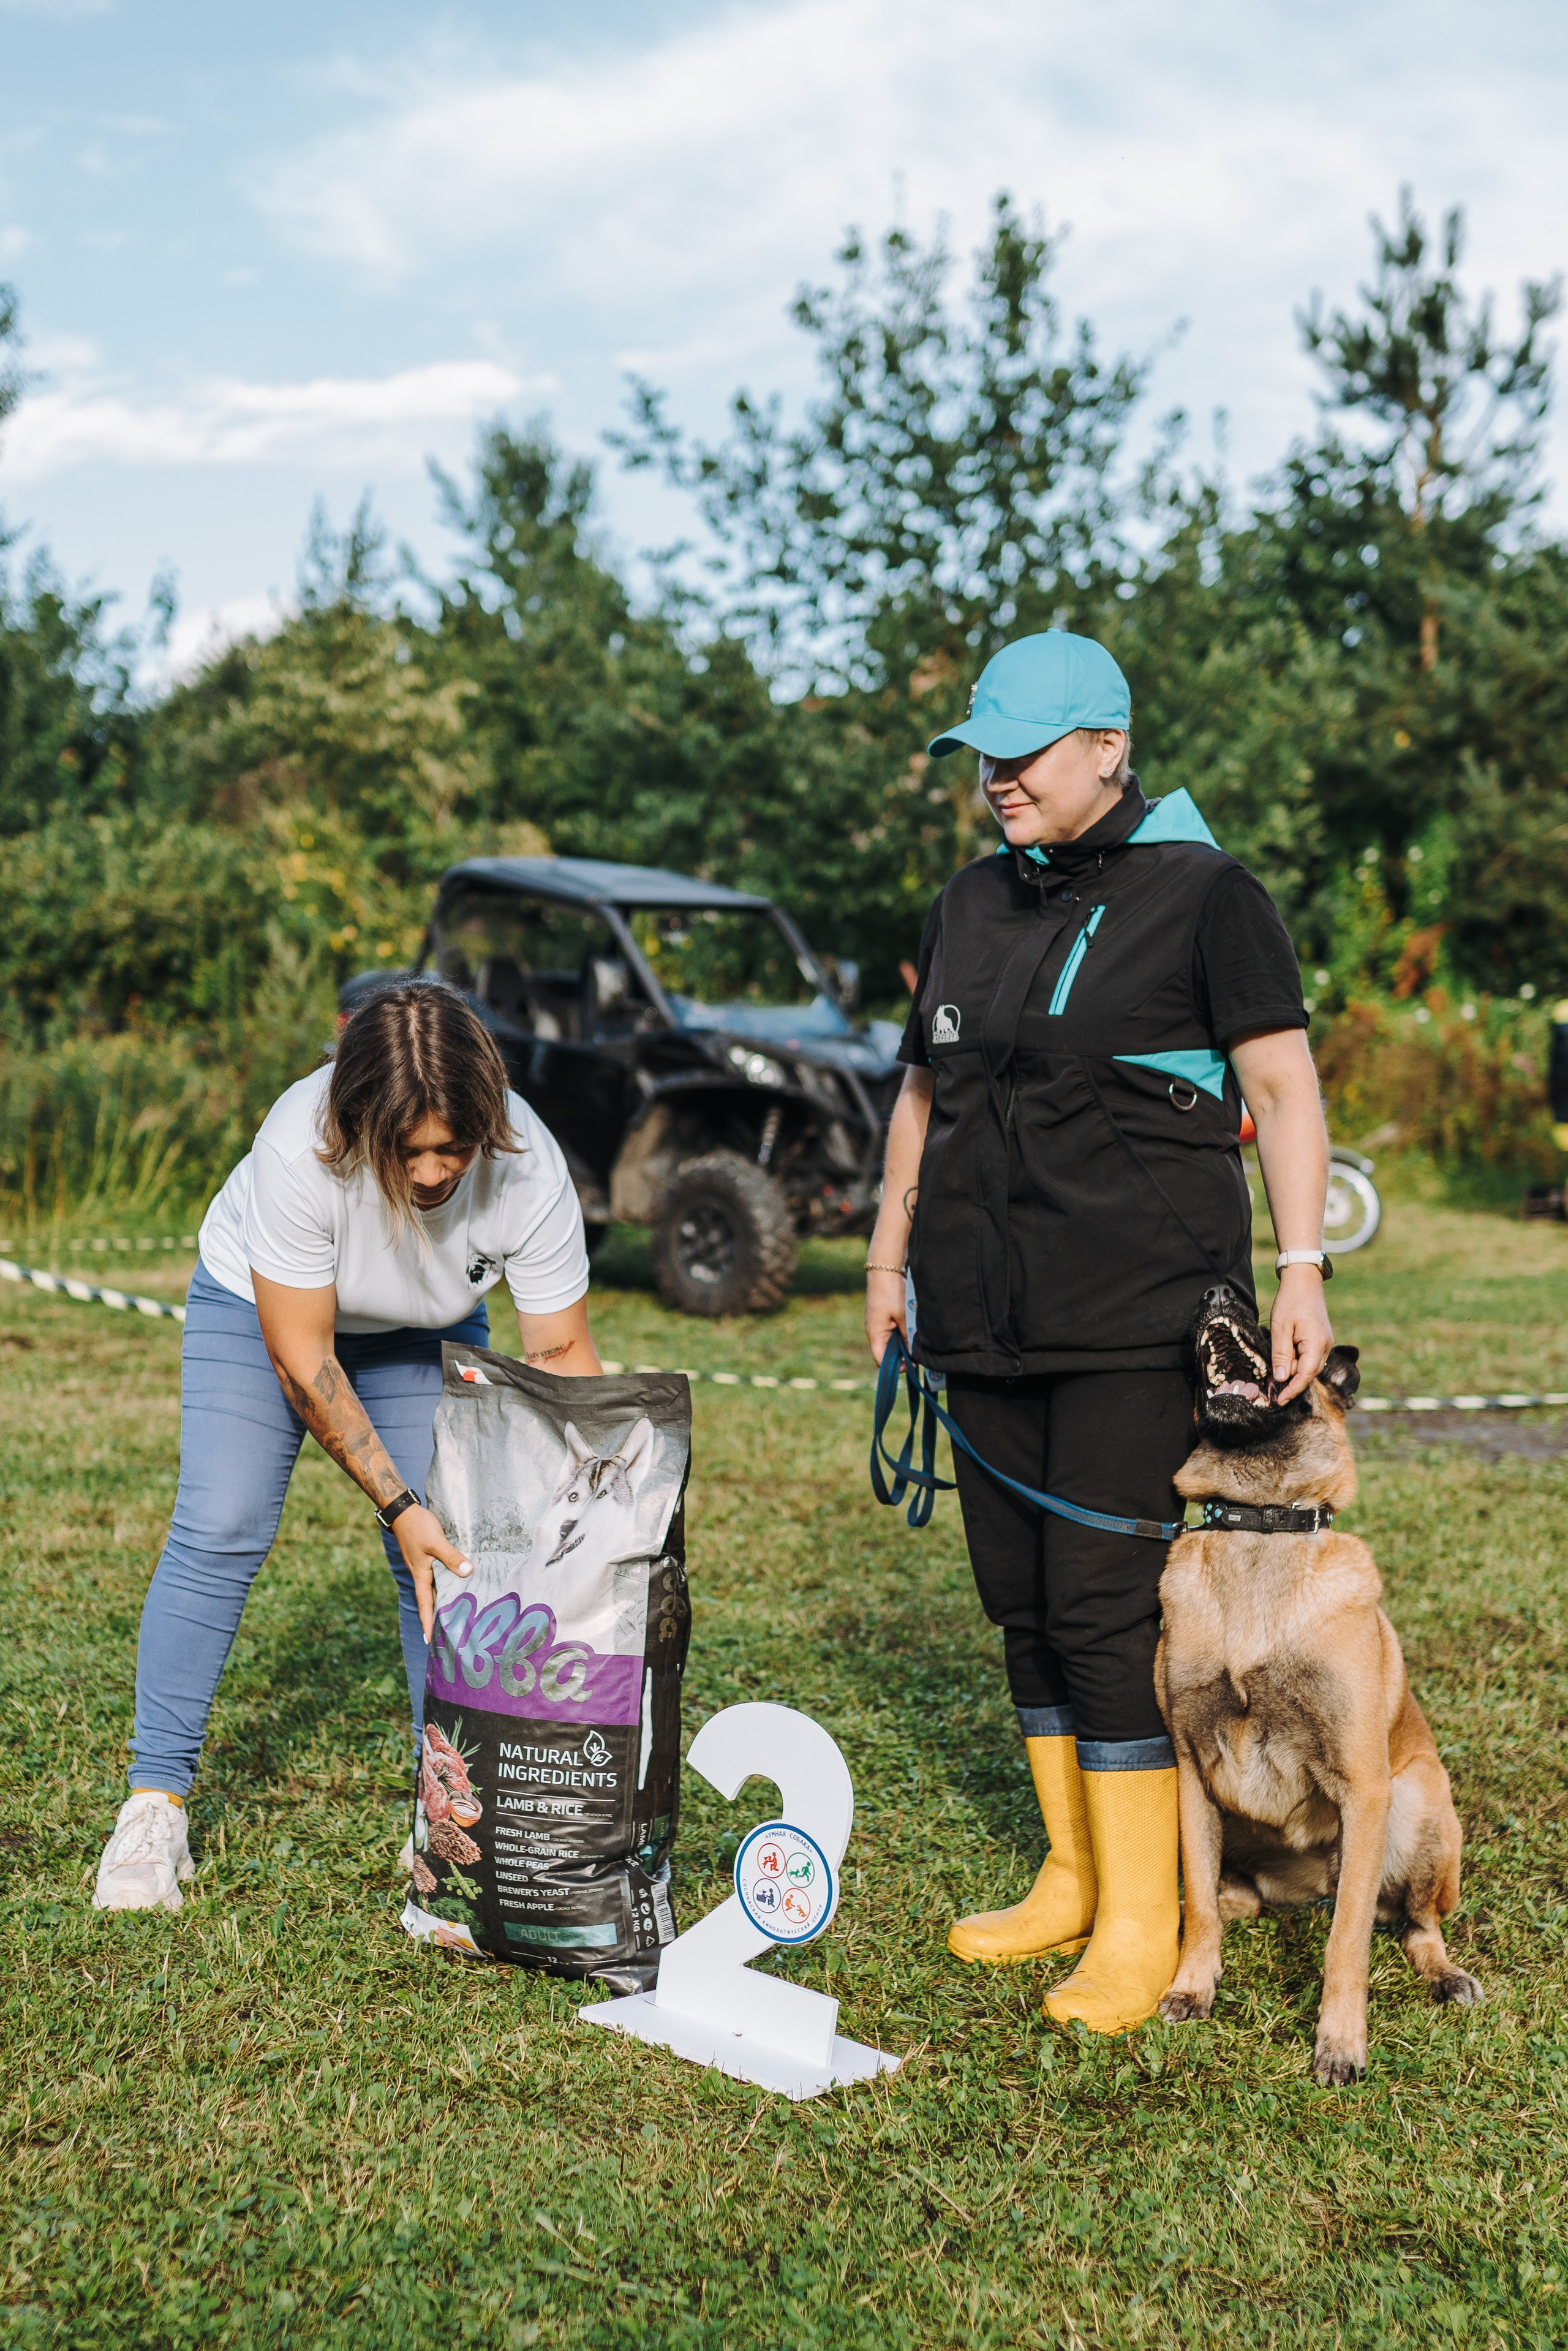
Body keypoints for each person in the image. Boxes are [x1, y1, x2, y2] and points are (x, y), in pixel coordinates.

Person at [864, 628, 1333, 2035]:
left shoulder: (1204, 894)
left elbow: (1284, 1086)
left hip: (1139, 1313)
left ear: (1107, 750)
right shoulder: (964, 900)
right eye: (982, 757)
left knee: (1095, 1603)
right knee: (1016, 1601)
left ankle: (1144, 1920)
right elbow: (921, 1096)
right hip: (977, 1308)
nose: (996, 779)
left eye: (1022, 754)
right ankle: (1069, 1874)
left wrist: (1301, 1269)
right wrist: (889, 1248)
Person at [94, 979, 600, 1913]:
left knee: (456, 1550)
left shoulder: (526, 1159)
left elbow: (560, 1352)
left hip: (422, 1328)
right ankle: (153, 1804)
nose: (439, 1172)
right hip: (265, 1317)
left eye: (458, 1147)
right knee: (225, 1518)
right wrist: (397, 1505)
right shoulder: (298, 1143)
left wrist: (584, 1514)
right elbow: (303, 1358)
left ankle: (458, 1810)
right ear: (358, 1115)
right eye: (411, 1151)